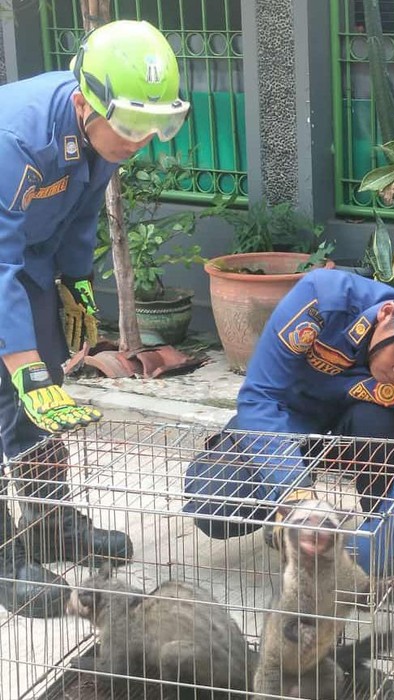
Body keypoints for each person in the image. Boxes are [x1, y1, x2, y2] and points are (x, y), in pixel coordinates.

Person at [0, 19, 190, 618]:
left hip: (23, 258)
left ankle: (51, 524)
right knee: (16, 382)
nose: (144, 139)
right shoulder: (17, 140)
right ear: (86, 102)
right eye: (133, 124)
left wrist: (75, 284)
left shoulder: (101, 136)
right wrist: (21, 365)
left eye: (158, 124)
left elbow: (80, 211)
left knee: (44, 391)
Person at [184, 268, 394, 574]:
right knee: (214, 505)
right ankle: (283, 513)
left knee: (381, 427)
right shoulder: (322, 300)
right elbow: (259, 398)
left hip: (365, 432)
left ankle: (381, 541)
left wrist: (365, 555)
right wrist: (296, 494)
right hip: (290, 421)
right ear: (387, 314)